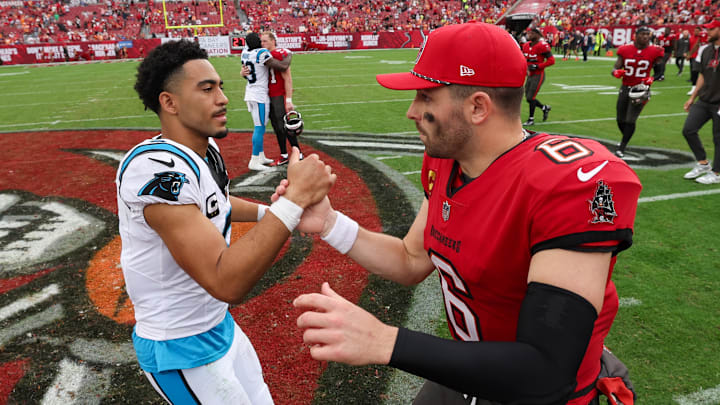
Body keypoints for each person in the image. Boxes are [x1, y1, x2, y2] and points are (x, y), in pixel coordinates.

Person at [287, 23, 641, 405]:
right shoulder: (447, 163)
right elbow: (411, 260)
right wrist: (330, 223)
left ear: (477, 107)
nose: (412, 111)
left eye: (426, 97)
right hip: (471, 370)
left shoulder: (567, 183)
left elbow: (545, 369)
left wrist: (385, 341)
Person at [117, 39, 335, 403]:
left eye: (220, 86)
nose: (223, 98)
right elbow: (225, 279)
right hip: (179, 344)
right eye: (206, 89)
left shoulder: (204, 150)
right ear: (169, 102)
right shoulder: (153, 170)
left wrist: (272, 213)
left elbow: (216, 203)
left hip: (217, 325)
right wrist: (293, 202)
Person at [611, 26, 664, 158]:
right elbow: (616, 67)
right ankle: (626, 138)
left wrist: (652, 78)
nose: (646, 37)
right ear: (636, 35)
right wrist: (616, 72)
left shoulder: (655, 51)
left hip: (641, 89)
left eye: (648, 34)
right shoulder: (624, 49)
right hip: (625, 87)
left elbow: (659, 71)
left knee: (630, 120)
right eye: (643, 34)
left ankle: (622, 146)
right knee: (620, 119)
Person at [241, 32, 291, 171]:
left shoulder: (245, 52)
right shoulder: (261, 53)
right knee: (259, 127)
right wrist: (289, 55)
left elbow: (246, 71)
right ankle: (254, 159)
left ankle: (261, 156)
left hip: (250, 92)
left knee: (259, 126)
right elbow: (281, 66)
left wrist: (241, 73)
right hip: (259, 95)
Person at [681, 20, 720, 184]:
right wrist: (692, 97)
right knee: (688, 130)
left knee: (718, 138)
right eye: (707, 29)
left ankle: (717, 173)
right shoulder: (706, 50)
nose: (708, 32)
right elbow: (702, 76)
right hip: (705, 99)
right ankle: (703, 163)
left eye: (712, 29)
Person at [261, 31, 302, 167]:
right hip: (269, 95)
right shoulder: (263, 55)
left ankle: (298, 153)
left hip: (279, 95)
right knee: (276, 127)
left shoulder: (279, 54)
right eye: (261, 41)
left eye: (265, 41)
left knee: (284, 126)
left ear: (273, 41)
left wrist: (289, 99)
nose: (263, 44)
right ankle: (284, 154)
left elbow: (287, 78)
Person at [522, 27, 554, 126]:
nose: (529, 35)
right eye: (528, 33)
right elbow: (525, 59)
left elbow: (551, 61)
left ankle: (531, 119)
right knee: (528, 97)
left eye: (531, 33)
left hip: (538, 74)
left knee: (531, 97)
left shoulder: (542, 45)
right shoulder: (526, 45)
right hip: (530, 74)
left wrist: (538, 66)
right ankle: (544, 108)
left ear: (537, 35)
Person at [688, 26, 709, 95]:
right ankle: (694, 88)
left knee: (707, 73)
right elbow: (696, 45)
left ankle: (706, 89)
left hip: (709, 57)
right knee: (694, 71)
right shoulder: (702, 35)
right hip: (699, 56)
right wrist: (690, 54)